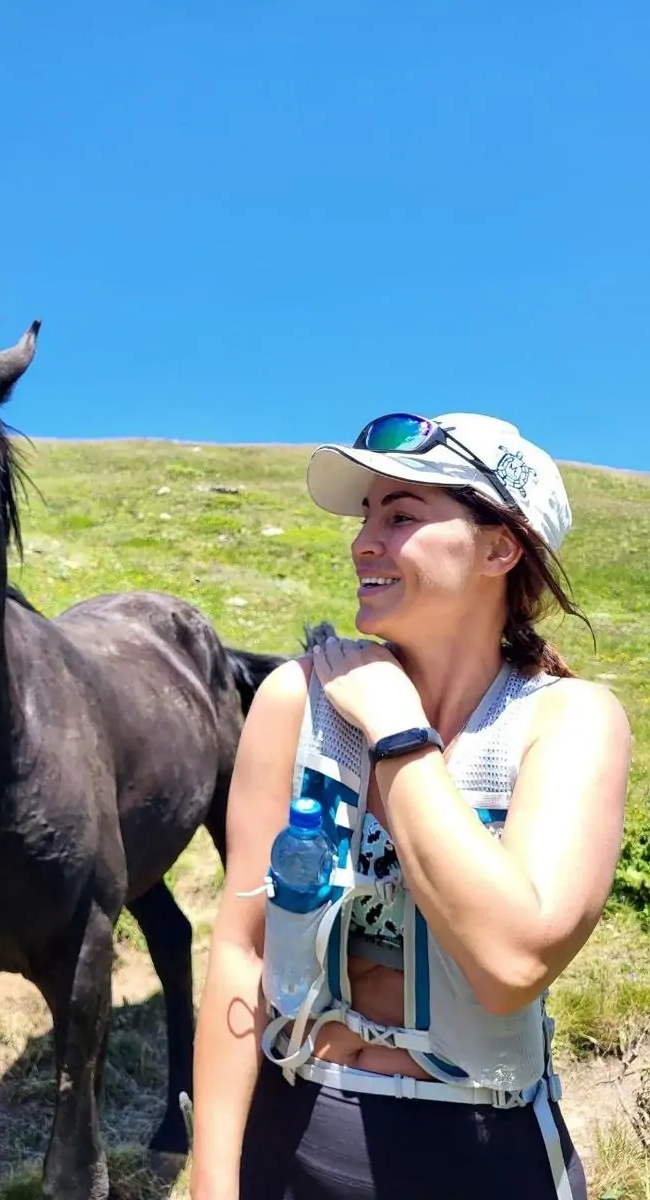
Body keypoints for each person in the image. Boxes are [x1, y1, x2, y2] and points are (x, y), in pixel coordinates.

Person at [190, 412, 632, 1200]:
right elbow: (241, 951)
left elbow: (510, 966)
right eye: (366, 517)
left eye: (401, 517)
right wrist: (212, 1182)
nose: (364, 542)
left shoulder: (569, 721)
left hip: (481, 1150)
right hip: (291, 1127)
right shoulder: (296, 701)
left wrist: (397, 732)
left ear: (500, 549)